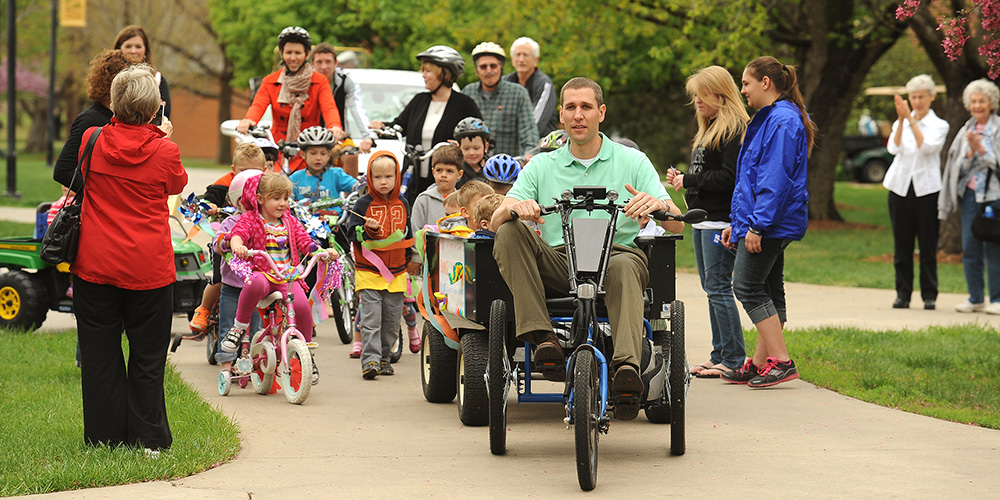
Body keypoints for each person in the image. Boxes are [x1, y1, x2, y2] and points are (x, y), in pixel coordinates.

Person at [489, 77, 684, 420]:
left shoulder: (633, 161)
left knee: (624, 267)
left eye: (586, 107)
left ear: (601, 112)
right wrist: (515, 208)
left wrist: (655, 203)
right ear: (561, 116)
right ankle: (543, 338)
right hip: (560, 260)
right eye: (571, 108)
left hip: (617, 256)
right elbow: (494, 221)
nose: (578, 115)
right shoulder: (541, 165)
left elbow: (677, 222)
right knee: (508, 230)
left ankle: (627, 369)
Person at [56, 64, 185, 454]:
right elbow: (176, 184)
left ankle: (104, 438)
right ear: (153, 110)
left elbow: (78, 177)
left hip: (95, 264)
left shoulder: (91, 140)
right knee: (147, 356)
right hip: (148, 268)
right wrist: (161, 136)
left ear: (113, 104)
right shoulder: (166, 149)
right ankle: (149, 439)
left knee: (98, 354)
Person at [719, 57, 813, 388]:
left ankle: (782, 362)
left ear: (765, 83)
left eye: (745, 83)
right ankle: (760, 363)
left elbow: (775, 178)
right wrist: (739, 223)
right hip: (765, 219)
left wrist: (757, 226)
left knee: (746, 286)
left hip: (772, 221)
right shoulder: (770, 118)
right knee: (770, 289)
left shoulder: (783, 121)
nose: (742, 89)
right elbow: (750, 177)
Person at [54, 49, 142, 367]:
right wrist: (98, 193)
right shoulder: (91, 120)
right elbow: (63, 170)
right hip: (95, 220)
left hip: (120, 224)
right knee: (96, 294)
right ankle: (86, 361)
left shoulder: (123, 121)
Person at [665, 65, 748, 378]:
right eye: (695, 95)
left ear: (720, 94)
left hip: (720, 220)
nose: (697, 101)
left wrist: (689, 179)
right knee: (711, 287)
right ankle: (719, 354)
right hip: (702, 219)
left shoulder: (733, 129)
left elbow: (730, 178)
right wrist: (683, 180)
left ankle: (735, 358)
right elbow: (705, 173)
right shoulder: (708, 127)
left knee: (718, 287)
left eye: (703, 94)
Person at [220, 172, 340, 385]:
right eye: (276, 198)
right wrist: (237, 245)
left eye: (285, 198)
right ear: (259, 198)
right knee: (253, 282)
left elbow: (305, 241)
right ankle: (239, 327)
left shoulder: (290, 222)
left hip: (286, 276)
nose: (282, 203)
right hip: (264, 273)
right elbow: (238, 233)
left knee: (303, 306)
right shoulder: (251, 219)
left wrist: (320, 252)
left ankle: (307, 355)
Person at [369, 45, 481, 202]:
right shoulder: (419, 100)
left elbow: (479, 136)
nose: (424, 75)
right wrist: (381, 126)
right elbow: (400, 125)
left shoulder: (464, 104)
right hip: (413, 176)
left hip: (445, 182)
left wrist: (462, 146)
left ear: (445, 74)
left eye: (428, 71)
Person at [345, 152, 415, 379]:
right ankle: (370, 361)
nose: (383, 182)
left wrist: (412, 258)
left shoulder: (403, 203)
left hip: (396, 273)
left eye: (388, 176)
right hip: (369, 271)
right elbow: (351, 234)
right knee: (371, 320)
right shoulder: (362, 203)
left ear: (397, 177)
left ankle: (384, 358)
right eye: (377, 177)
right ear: (369, 178)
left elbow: (408, 233)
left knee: (392, 322)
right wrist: (368, 229)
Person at [883, 75, 949, 310]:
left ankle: (929, 294)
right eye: (913, 97)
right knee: (902, 246)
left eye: (921, 96)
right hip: (900, 187)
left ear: (931, 97)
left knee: (928, 245)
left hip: (927, 190)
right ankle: (903, 294)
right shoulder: (900, 122)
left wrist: (910, 119)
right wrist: (901, 121)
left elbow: (927, 148)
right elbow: (894, 147)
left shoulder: (939, 125)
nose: (917, 101)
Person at [237, 27, 342, 169]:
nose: (293, 58)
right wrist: (249, 120)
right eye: (288, 52)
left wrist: (334, 126)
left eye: (298, 53)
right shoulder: (270, 81)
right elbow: (258, 104)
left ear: (307, 54)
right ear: (281, 53)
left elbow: (329, 107)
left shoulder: (319, 81)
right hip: (278, 147)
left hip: (309, 146)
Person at [190, 143, 269, 332]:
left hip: (257, 242)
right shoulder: (224, 183)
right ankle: (204, 309)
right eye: (243, 171)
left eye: (254, 172)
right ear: (233, 170)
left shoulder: (267, 185)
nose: (248, 177)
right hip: (226, 239)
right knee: (219, 279)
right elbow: (205, 200)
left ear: (265, 171)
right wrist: (210, 206)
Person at [939, 79, 1000, 314]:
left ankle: (996, 299)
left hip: (994, 197)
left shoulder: (997, 129)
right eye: (973, 101)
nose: (977, 105)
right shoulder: (966, 130)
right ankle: (975, 298)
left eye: (981, 101)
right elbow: (959, 168)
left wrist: (982, 151)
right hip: (971, 196)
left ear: (991, 103)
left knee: (994, 248)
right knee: (970, 247)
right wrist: (971, 152)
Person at [211, 169, 266, 377]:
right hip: (233, 286)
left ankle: (255, 362)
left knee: (256, 328)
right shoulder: (230, 222)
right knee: (229, 325)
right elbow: (217, 242)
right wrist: (228, 241)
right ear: (238, 201)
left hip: (258, 286)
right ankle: (226, 365)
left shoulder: (266, 223)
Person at [462, 42, 538, 157]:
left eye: (493, 66)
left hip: (507, 168)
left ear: (501, 67)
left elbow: (529, 132)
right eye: (483, 67)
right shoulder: (468, 93)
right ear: (476, 71)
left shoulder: (518, 93)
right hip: (474, 167)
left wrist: (529, 155)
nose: (488, 70)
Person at [311, 42, 373, 153]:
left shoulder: (346, 81)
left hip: (340, 136)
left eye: (328, 62)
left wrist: (368, 136)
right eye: (319, 62)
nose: (324, 67)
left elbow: (356, 108)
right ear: (312, 64)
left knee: (351, 156)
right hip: (310, 137)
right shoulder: (305, 82)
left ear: (336, 63)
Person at [503, 37, 558, 136]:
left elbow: (535, 122)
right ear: (512, 59)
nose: (521, 59)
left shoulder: (544, 84)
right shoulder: (505, 82)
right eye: (518, 55)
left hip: (542, 145)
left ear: (536, 60)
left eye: (525, 55)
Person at [289, 126, 360, 203]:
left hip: (337, 215)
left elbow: (356, 186)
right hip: (303, 215)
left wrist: (365, 185)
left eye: (323, 154)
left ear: (328, 155)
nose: (318, 158)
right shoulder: (295, 178)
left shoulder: (336, 174)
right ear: (303, 154)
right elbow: (287, 202)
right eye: (313, 153)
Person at [114, 26, 170, 118]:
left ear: (146, 50)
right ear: (118, 49)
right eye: (128, 46)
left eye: (138, 46)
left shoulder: (157, 80)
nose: (133, 51)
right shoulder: (109, 77)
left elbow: (165, 116)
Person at [412, 144, 464, 232]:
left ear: (459, 174)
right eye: (439, 170)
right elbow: (415, 231)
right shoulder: (423, 200)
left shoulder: (463, 200)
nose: (443, 175)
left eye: (449, 171)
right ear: (433, 172)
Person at [453, 117, 491, 188]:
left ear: (486, 147)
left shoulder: (493, 169)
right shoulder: (456, 170)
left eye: (476, 148)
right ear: (459, 148)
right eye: (466, 149)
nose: (471, 153)